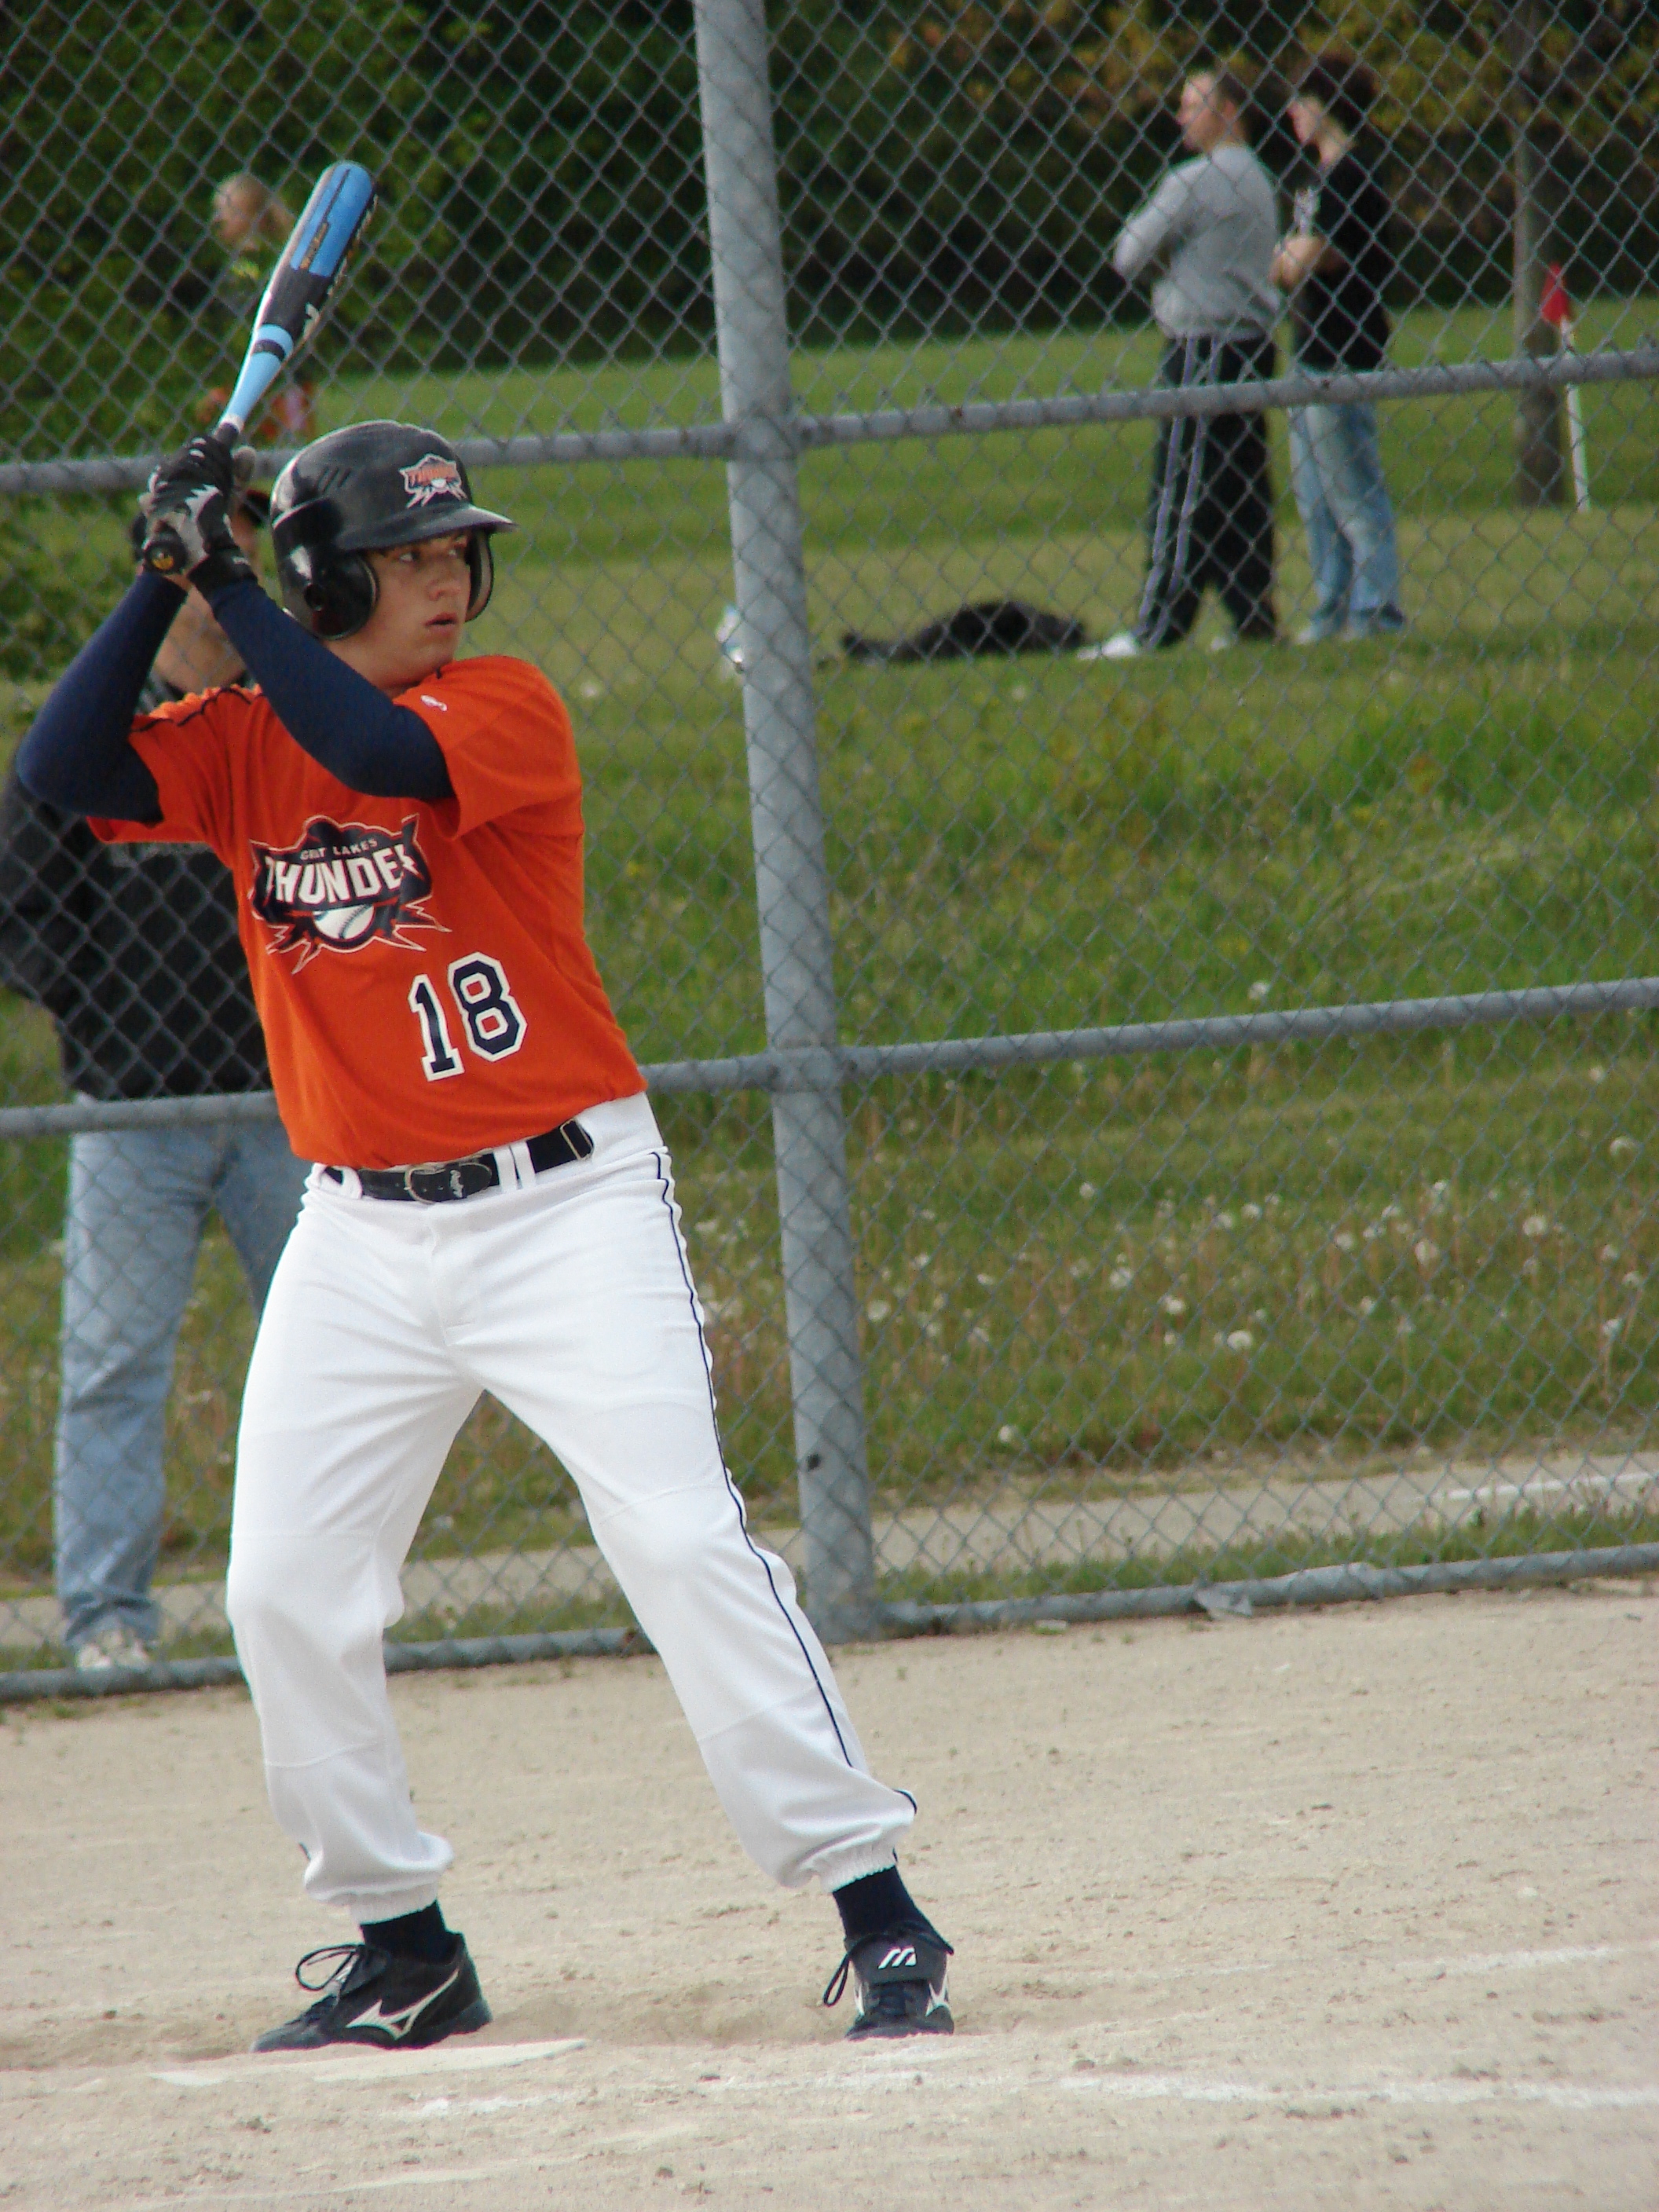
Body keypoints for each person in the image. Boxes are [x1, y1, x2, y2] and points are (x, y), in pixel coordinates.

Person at [16, 422, 954, 2051]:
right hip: (360, 1236)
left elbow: (374, 754)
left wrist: (234, 586)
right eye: (405, 557)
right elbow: (60, 769)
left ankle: (881, 1913)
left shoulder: (499, 706)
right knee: (283, 1592)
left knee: (678, 1541)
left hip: (565, 1208)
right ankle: (404, 1947)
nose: (447, 579)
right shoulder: (238, 739)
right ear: (327, 581)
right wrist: (165, 577)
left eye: (458, 552)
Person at [0, 495, 307, 1674]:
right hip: (133, 1112)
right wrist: (97, 1006)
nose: (220, 599)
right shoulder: (98, 724)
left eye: (240, 569)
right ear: (158, 582)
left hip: (287, 1105)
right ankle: (107, 1618)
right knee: (114, 1363)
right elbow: (26, 898)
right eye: (197, 571)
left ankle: (323, 1607)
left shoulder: (289, 711)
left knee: (327, 1363)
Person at [1096, 68, 1280, 658]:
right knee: (1240, 487)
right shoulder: (1260, 178)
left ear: (1228, 110)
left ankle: (1158, 624)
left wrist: (1168, 266)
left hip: (1201, 346)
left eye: (1192, 105)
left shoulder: (1194, 180)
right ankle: (1253, 614)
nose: (1180, 117)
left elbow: (1129, 254)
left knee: (1184, 483)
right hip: (1252, 346)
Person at [1272, 53, 1404, 642]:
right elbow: (1290, 260)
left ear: (1328, 104)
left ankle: (1376, 612)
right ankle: (1333, 609)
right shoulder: (1315, 178)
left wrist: (1303, 254)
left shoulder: (1353, 174)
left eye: (1302, 100)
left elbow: (1307, 255)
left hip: (1344, 348)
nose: (1292, 111)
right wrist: (1300, 254)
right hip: (1310, 347)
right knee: (1315, 496)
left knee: (1353, 490)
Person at [198, 175, 317, 445]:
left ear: (256, 217)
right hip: (242, 374)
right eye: (217, 211)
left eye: (228, 210)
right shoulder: (233, 269)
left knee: (291, 443)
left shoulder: (270, 264)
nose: (218, 219)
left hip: (286, 378)